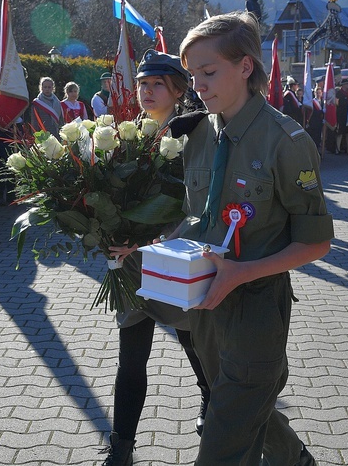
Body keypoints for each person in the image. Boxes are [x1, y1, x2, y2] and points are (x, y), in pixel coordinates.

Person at [170, 10, 333, 466]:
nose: (197, 86)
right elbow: (195, 216)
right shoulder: (201, 132)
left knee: (223, 443)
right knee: (237, 404)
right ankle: (294, 458)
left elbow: (317, 242)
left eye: (208, 72)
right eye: (192, 75)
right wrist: (149, 243)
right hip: (204, 303)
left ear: (245, 67)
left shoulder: (285, 141)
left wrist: (242, 272)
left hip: (256, 305)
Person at [100, 50, 210, 466]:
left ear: (179, 90)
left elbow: (196, 206)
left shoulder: (194, 134)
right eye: (143, 83)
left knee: (192, 341)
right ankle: (122, 447)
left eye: (157, 84)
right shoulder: (128, 135)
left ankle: (209, 400)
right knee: (131, 357)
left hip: (172, 262)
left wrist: (153, 244)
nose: (147, 91)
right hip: (130, 265)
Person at [335, 78, 348, 154]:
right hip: (341, 114)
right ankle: (337, 149)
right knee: (340, 132)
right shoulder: (338, 93)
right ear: (343, 85)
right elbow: (336, 103)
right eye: (347, 84)